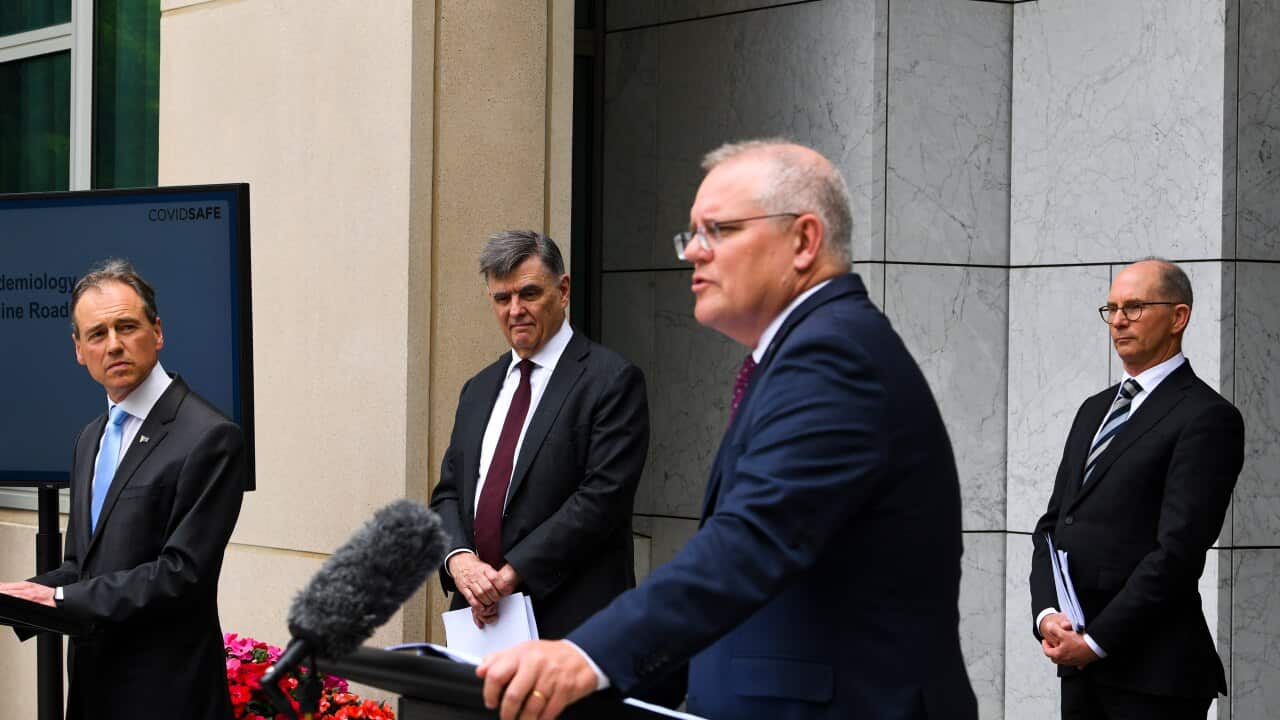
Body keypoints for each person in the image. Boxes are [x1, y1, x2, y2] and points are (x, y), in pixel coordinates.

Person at [475, 140, 978, 720]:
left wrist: (585, 656)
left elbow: (751, 541)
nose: (693, 252)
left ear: (804, 240)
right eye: (690, 233)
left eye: (718, 230)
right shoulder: (802, 353)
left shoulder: (835, 354)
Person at [0, 259, 247, 720]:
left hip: (169, 697)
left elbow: (181, 575)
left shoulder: (210, 436)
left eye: (127, 326)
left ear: (157, 332)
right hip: (94, 692)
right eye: (97, 334)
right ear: (78, 349)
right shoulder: (90, 437)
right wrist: (19, 596)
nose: (113, 345)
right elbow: (82, 565)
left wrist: (56, 600)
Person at [1029, 259, 1243, 719]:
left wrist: (1096, 642)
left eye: (1135, 307)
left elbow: (1178, 554)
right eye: (1112, 309)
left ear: (1179, 316)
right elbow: (1052, 526)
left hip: (1154, 678)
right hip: (1080, 671)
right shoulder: (1093, 410)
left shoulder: (1207, 417)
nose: (1119, 320)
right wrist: (1048, 617)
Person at [428, 230, 649, 642]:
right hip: (479, 625)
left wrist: (512, 574)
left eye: (528, 293)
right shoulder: (478, 388)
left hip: (572, 624)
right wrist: (460, 563)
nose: (515, 310)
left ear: (563, 291)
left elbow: (602, 498)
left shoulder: (611, 380)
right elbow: (448, 494)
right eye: (501, 298)